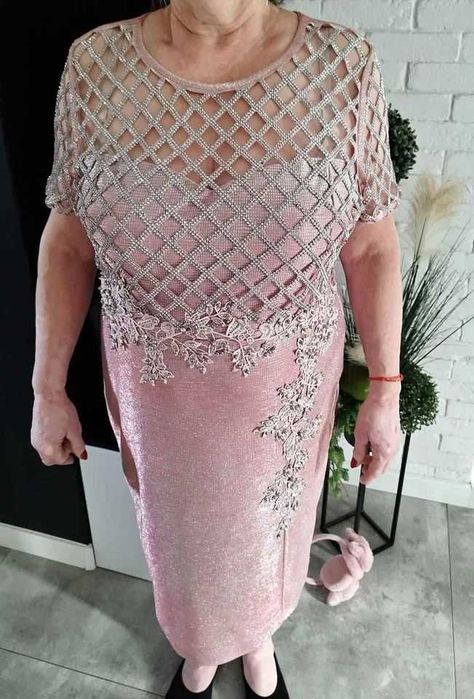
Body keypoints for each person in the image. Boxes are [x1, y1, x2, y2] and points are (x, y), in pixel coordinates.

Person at [31, 1, 403, 697]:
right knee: (184, 552)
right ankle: (198, 646)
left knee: (266, 543)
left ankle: (259, 638)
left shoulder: (344, 68)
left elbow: (371, 245)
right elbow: (70, 240)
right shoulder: (95, 67)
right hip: (161, 407)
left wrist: (385, 387)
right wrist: (47, 386)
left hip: (282, 405)